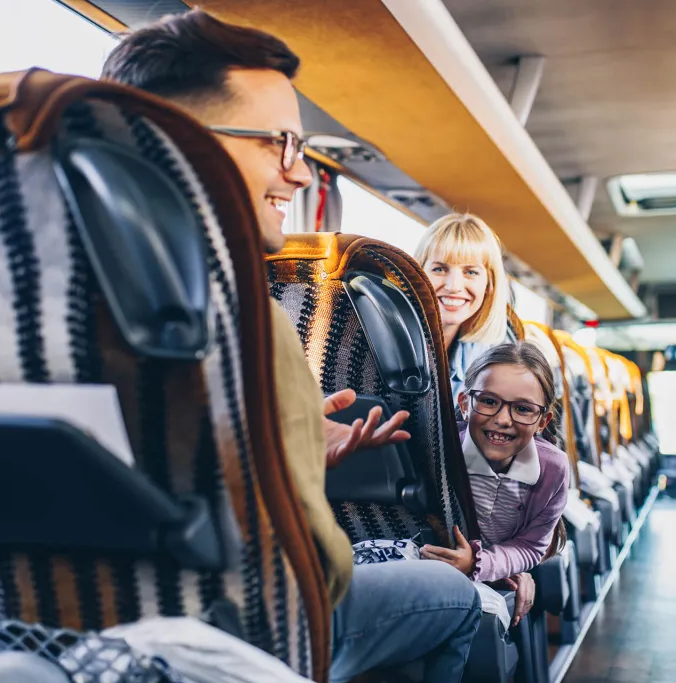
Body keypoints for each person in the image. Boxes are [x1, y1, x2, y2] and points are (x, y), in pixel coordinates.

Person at [101, 12, 480, 683]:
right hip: (239, 640)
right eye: (282, 144)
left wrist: (297, 446)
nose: (301, 175)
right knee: (455, 596)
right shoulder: (241, 312)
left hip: (58, 638)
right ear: (184, 143)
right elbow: (321, 569)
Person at [422, 342, 569, 627]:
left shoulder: (553, 468)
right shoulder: (438, 449)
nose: (502, 420)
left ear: (542, 421)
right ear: (465, 403)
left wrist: (479, 564)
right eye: (489, 401)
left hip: (500, 566)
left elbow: (531, 546)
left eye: (523, 409)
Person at [413, 213, 512, 403]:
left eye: (471, 272)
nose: (454, 286)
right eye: (440, 269)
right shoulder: (381, 344)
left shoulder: (488, 359)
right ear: (417, 275)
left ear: (489, 285)